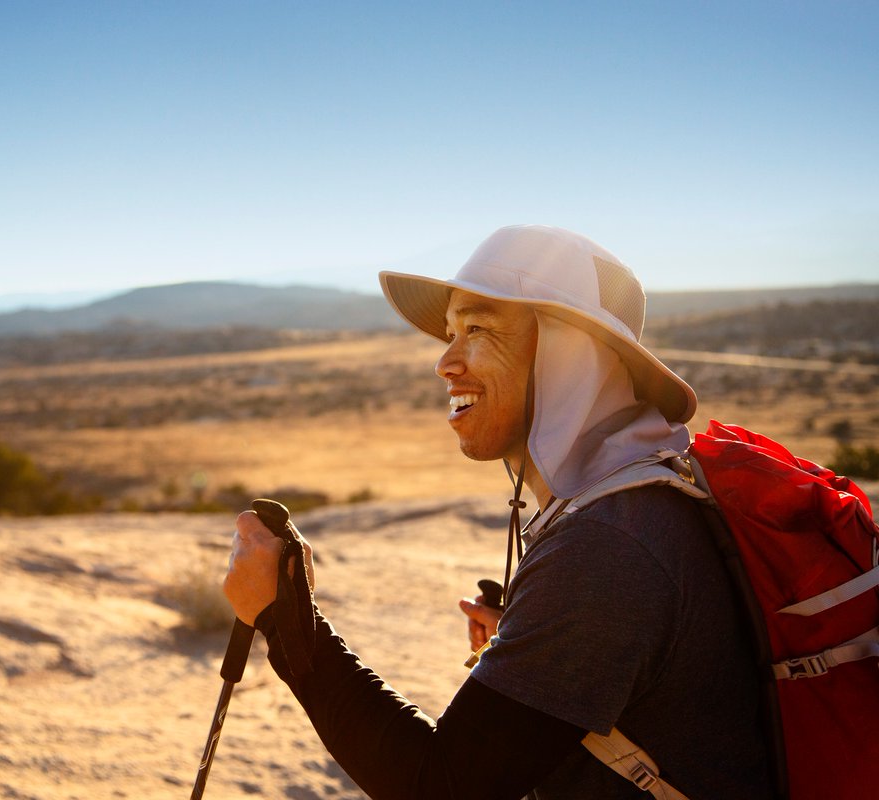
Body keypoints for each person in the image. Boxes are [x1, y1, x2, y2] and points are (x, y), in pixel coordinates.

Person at [223, 225, 772, 799]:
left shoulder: (607, 546)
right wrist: (536, 637)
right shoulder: (632, 502)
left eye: (478, 329)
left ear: (571, 356)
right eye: (450, 334)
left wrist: (285, 619)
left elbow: (437, 787)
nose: (445, 363)